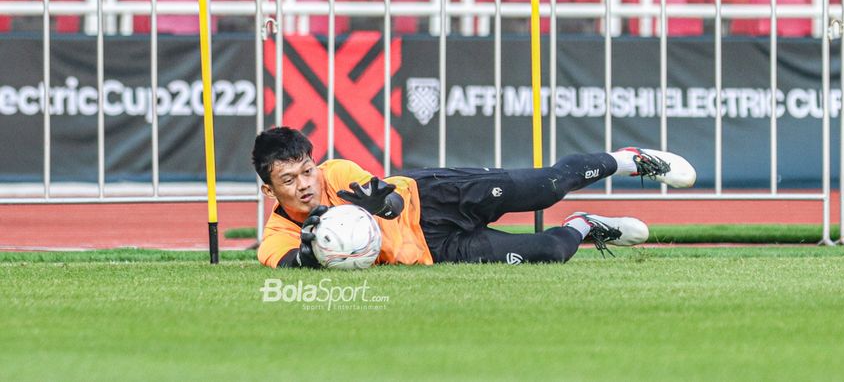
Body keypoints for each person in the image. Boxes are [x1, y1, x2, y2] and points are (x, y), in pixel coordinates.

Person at [252, 126, 696, 268]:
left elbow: (392, 204)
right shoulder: (275, 235)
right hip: (435, 250)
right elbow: (289, 264)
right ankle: (586, 226)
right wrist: (311, 251)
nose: (305, 184)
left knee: (546, 187)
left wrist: (379, 203)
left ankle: (627, 160)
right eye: (289, 180)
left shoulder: (338, 173)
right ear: (268, 189)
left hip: (438, 197)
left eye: (306, 170)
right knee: (549, 251)